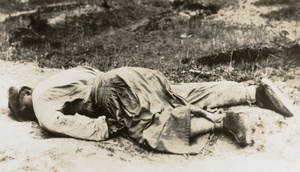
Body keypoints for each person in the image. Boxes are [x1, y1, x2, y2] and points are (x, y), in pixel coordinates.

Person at [8, 66, 296, 154]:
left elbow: (70, 126)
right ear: (27, 89)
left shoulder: (42, 108)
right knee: (179, 93)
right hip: (127, 74)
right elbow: (96, 74)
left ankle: (224, 122)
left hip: (111, 93)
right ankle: (252, 93)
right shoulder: (54, 80)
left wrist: (108, 127)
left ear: (25, 108)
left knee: (154, 130)